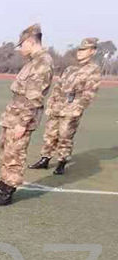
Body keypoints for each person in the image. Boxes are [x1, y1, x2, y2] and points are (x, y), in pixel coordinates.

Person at [0, 23, 53, 206]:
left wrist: (22, 123)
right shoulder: (33, 62)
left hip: (21, 118)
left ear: (30, 42)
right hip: (13, 116)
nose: (21, 49)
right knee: (6, 153)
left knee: (15, 155)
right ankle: (2, 187)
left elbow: (34, 97)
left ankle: (8, 192)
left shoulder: (42, 63)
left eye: (22, 45)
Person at [29, 38, 102, 175]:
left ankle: (62, 162)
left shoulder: (93, 69)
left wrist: (79, 107)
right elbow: (58, 87)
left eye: (84, 50)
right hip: (57, 106)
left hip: (72, 108)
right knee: (50, 134)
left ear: (92, 51)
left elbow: (90, 92)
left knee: (65, 136)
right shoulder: (70, 69)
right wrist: (51, 103)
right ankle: (45, 159)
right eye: (79, 49)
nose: (80, 52)